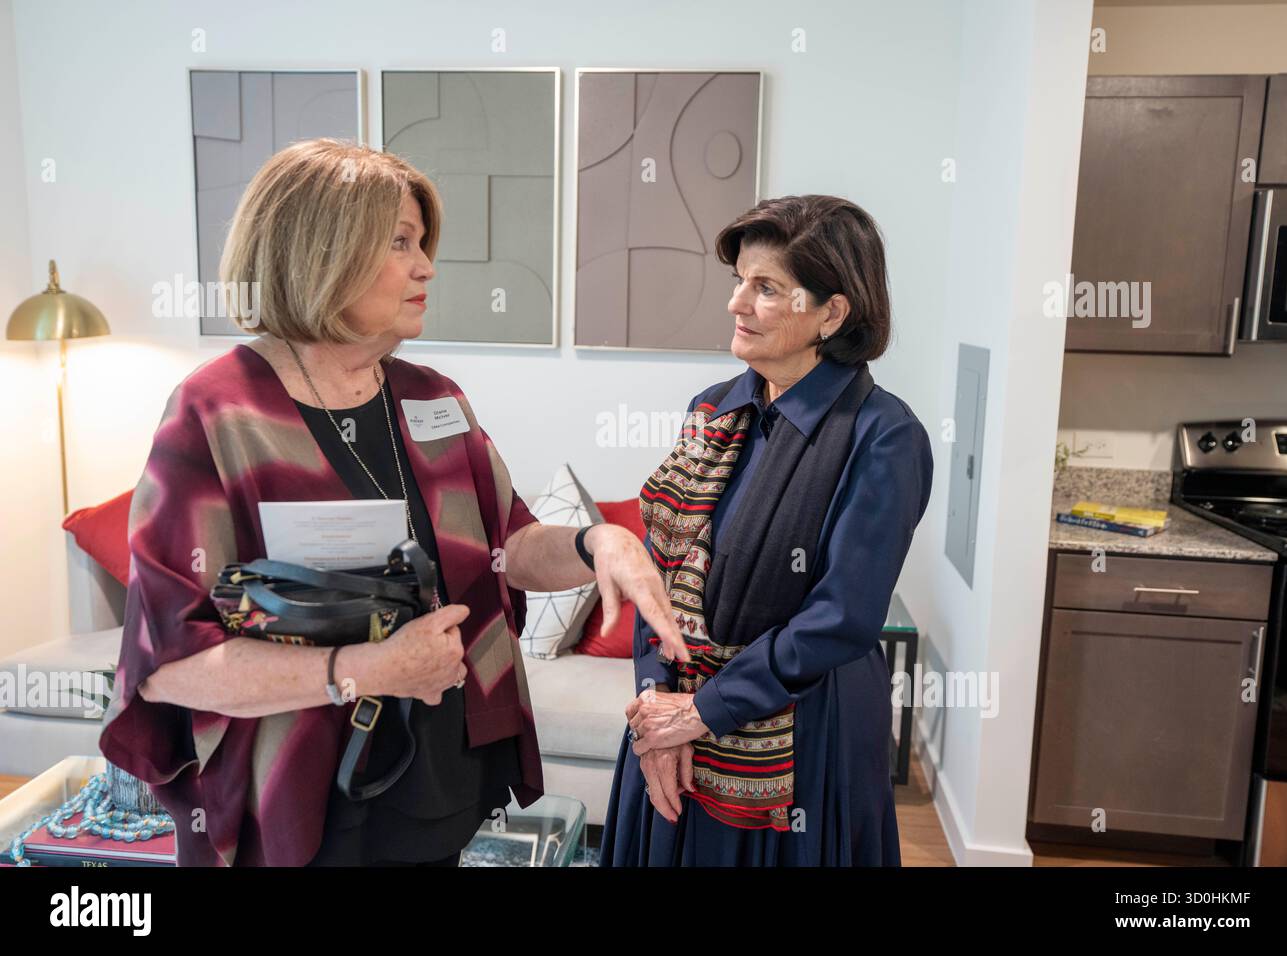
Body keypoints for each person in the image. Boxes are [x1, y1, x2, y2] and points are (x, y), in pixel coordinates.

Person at [98, 138, 688, 866]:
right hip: (300, 796)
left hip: (437, 779)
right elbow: (170, 664)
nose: (426, 266)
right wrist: (367, 669)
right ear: (321, 249)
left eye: (423, 243)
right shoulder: (217, 414)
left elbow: (511, 546)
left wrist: (599, 543)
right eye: (401, 243)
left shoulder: (430, 397)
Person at [600, 195, 934, 866]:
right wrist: (655, 699)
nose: (737, 302)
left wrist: (701, 714)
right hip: (675, 724)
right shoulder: (713, 408)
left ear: (831, 313)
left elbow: (841, 618)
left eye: (767, 288)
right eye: (739, 282)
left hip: (803, 744)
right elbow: (658, 569)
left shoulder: (884, 436)